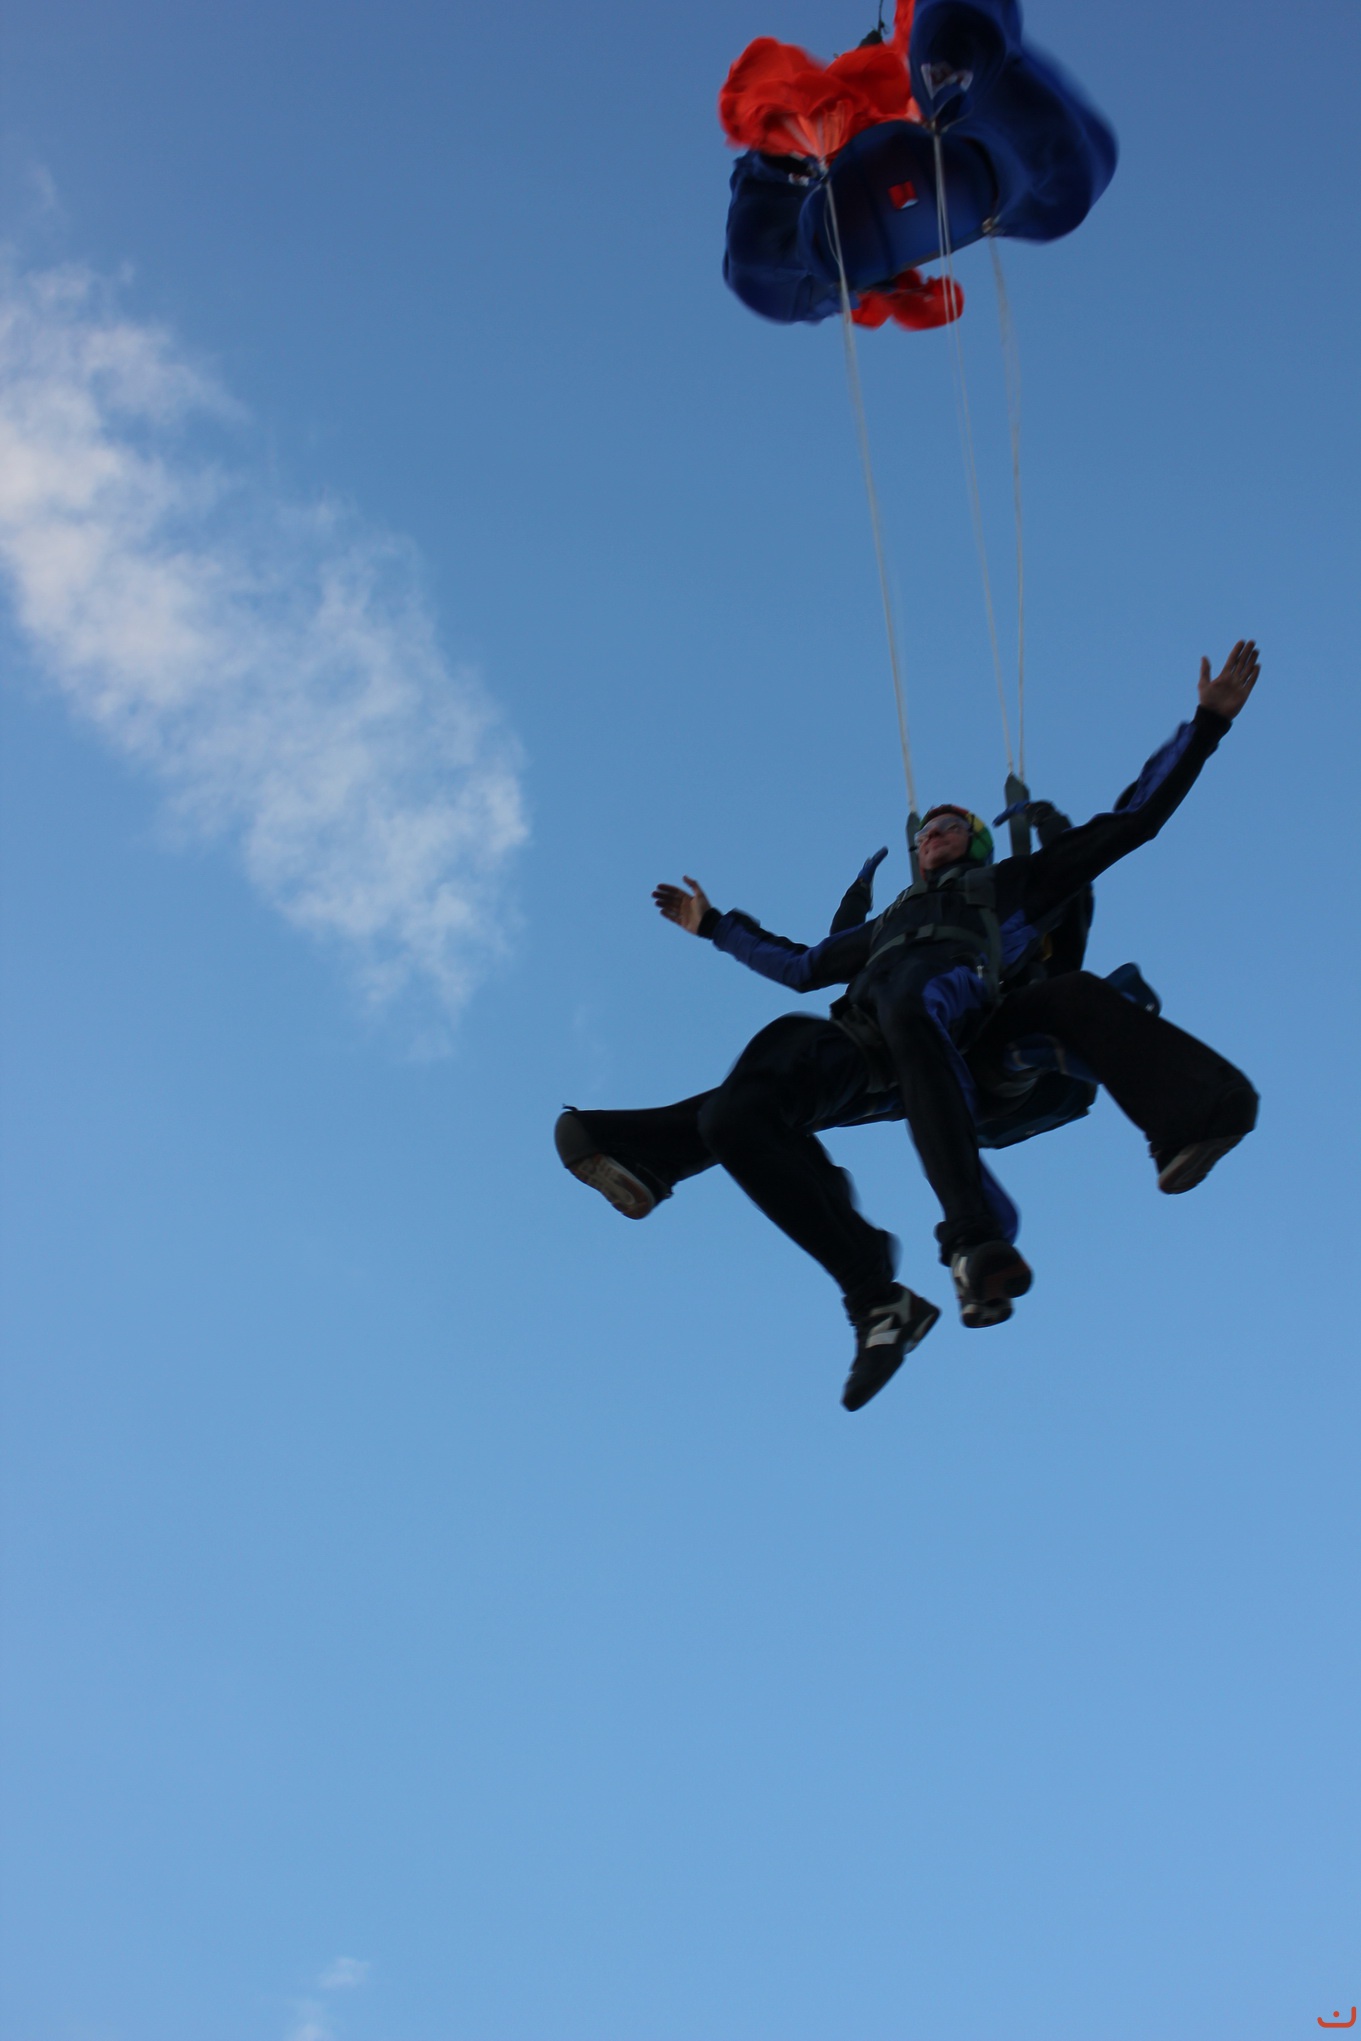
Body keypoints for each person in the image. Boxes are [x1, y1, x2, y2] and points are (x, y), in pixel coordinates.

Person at [559, 644, 1260, 1411]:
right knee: (744, 1102)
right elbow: (800, 964)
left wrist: (1205, 725)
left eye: (950, 826)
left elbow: (1129, 822)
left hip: (981, 1035)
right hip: (873, 1045)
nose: (932, 834)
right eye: (924, 830)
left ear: (976, 842)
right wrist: (714, 925)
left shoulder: (1015, 884)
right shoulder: (884, 925)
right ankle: (872, 1297)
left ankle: (1178, 1122)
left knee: (1027, 997)